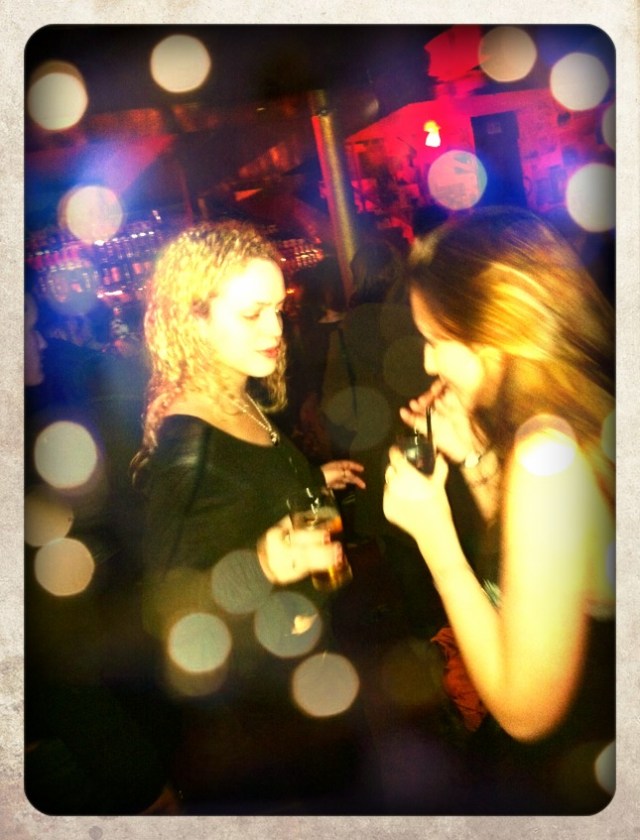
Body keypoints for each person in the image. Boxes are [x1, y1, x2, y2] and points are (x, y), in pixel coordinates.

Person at [382, 206, 615, 813]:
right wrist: (477, 459)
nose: (428, 363)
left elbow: (525, 711)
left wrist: (435, 538)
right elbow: (535, 576)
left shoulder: (545, 454)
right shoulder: (559, 420)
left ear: (492, 332)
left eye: (436, 341)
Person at [130, 220, 368, 812]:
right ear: (194, 320)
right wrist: (265, 563)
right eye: (251, 313)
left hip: (303, 671)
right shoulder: (188, 447)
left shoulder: (235, 396)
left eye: (278, 309)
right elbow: (167, 614)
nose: (275, 329)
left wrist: (308, 481)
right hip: (265, 716)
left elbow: (238, 492)